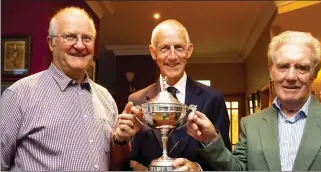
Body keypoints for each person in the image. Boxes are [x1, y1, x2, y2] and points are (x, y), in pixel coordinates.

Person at [1, 7, 141, 171]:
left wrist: (120, 140)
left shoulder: (105, 98)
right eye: (70, 37)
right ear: (51, 43)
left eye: (87, 38)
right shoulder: (19, 95)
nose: (80, 45)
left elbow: (113, 166)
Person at [178, 31, 321, 171]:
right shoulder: (251, 124)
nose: (291, 76)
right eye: (283, 66)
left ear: (314, 73)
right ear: (271, 72)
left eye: (302, 68)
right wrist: (211, 139)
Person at [123, 19, 231, 171]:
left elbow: (226, 162)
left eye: (179, 47)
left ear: (189, 50)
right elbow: (129, 159)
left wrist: (198, 169)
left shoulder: (213, 99)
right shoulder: (136, 100)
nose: (172, 56)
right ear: (153, 53)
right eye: (165, 48)